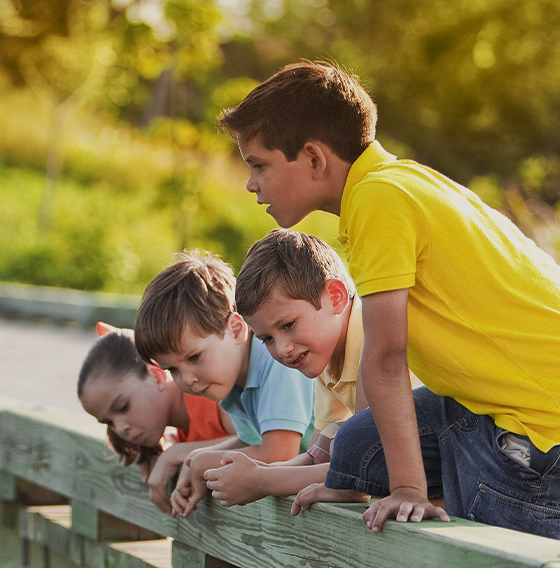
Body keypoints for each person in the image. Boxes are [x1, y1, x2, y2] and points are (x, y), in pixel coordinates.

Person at [219, 60, 560, 537]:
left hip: (541, 432)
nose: (251, 183)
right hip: (493, 408)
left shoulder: (379, 201)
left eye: (259, 165)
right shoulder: (398, 182)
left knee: (466, 528)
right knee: (359, 440)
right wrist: (353, 477)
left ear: (315, 159)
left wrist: (406, 490)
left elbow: (385, 356)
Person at [202, 228, 422, 508]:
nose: (283, 349)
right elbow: (317, 453)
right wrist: (258, 472)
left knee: (348, 437)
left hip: (454, 467)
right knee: (335, 437)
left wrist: (261, 481)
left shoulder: (372, 335)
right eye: (267, 339)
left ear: (336, 297)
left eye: (288, 325)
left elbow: (368, 466)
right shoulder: (326, 358)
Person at [133, 251, 316, 517]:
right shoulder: (231, 380)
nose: (188, 379)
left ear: (236, 329)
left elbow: (280, 454)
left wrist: (206, 462)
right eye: (173, 369)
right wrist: (195, 458)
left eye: (194, 357)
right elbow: (248, 440)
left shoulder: (274, 360)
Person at [78, 324, 237, 513]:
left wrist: (177, 453)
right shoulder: (181, 430)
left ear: (156, 373)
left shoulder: (212, 395)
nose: (120, 429)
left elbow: (259, 441)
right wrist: (170, 446)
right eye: (108, 422)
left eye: (123, 407)